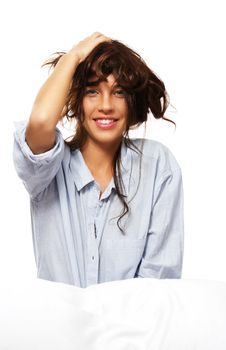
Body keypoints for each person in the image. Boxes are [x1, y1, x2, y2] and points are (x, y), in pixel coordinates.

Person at [13, 32, 184, 288]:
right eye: (93, 91)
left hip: (132, 326)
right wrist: (74, 56)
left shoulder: (157, 166)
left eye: (118, 92)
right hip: (57, 327)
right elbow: (40, 121)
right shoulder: (49, 169)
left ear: (131, 101)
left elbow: (157, 283)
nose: (106, 105)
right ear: (77, 101)